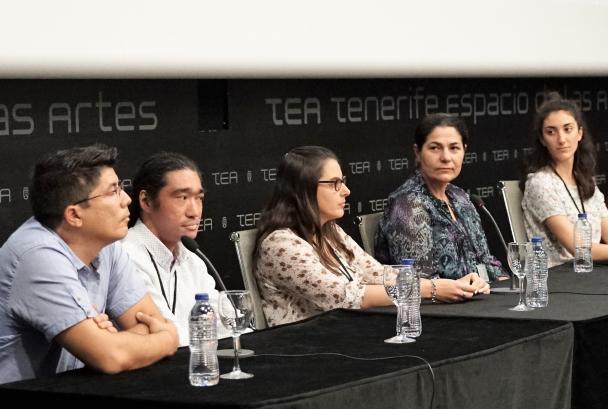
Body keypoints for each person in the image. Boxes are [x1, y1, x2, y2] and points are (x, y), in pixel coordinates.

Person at [0, 144, 178, 384]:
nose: (126, 199)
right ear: (74, 215)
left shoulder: (108, 245)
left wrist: (109, 340)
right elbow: (111, 357)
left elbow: (149, 323)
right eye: (112, 191)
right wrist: (167, 340)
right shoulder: (36, 255)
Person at [254, 146, 489, 327]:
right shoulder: (281, 244)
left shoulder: (329, 231)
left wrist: (451, 285)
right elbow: (344, 297)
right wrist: (433, 289)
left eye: (343, 182)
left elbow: (378, 274)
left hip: (346, 334)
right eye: (334, 184)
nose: (346, 191)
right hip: (305, 348)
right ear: (303, 190)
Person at [375, 113, 507, 281]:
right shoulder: (407, 205)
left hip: (480, 298)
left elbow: (486, 261)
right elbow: (422, 282)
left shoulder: (460, 197)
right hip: (439, 305)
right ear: (417, 152)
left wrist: (510, 287)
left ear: (464, 151)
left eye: (454, 148)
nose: (446, 157)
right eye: (435, 148)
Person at [122, 152, 229, 346]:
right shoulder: (125, 256)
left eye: (199, 198)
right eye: (182, 197)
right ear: (146, 201)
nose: (194, 212)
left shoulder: (192, 259)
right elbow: (164, 336)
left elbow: (227, 324)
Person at [521, 92, 608, 267]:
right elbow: (578, 249)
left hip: (591, 274)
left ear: (579, 133)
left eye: (568, 129)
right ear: (542, 139)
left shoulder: (586, 180)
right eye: (551, 132)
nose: (561, 139)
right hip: (558, 280)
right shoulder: (540, 183)